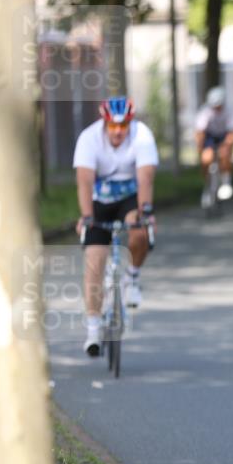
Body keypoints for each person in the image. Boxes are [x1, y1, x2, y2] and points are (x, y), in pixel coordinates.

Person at [73, 96, 159, 356]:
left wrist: (145, 211)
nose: (118, 132)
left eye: (123, 127)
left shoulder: (142, 136)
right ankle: (92, 329)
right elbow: (85, 182)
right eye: (113, 126)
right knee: (94, 261)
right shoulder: (89, 139)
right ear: (105, 124)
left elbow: (145, 178)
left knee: (139, 231)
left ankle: (132, 277)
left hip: (129, 199)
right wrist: (87, 216)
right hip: (99, 201)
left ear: (130, 124)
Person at [195, 86, 233, 206]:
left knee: (224, 155)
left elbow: (232, 132)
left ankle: (226, 182)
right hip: (210, 137)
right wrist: (200, 147)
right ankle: (207, 185)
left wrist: (228, 145)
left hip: (223, 135)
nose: (217, 108)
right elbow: (200, 132)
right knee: (206, 159)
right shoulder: (205, 112)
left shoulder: (229, 111)